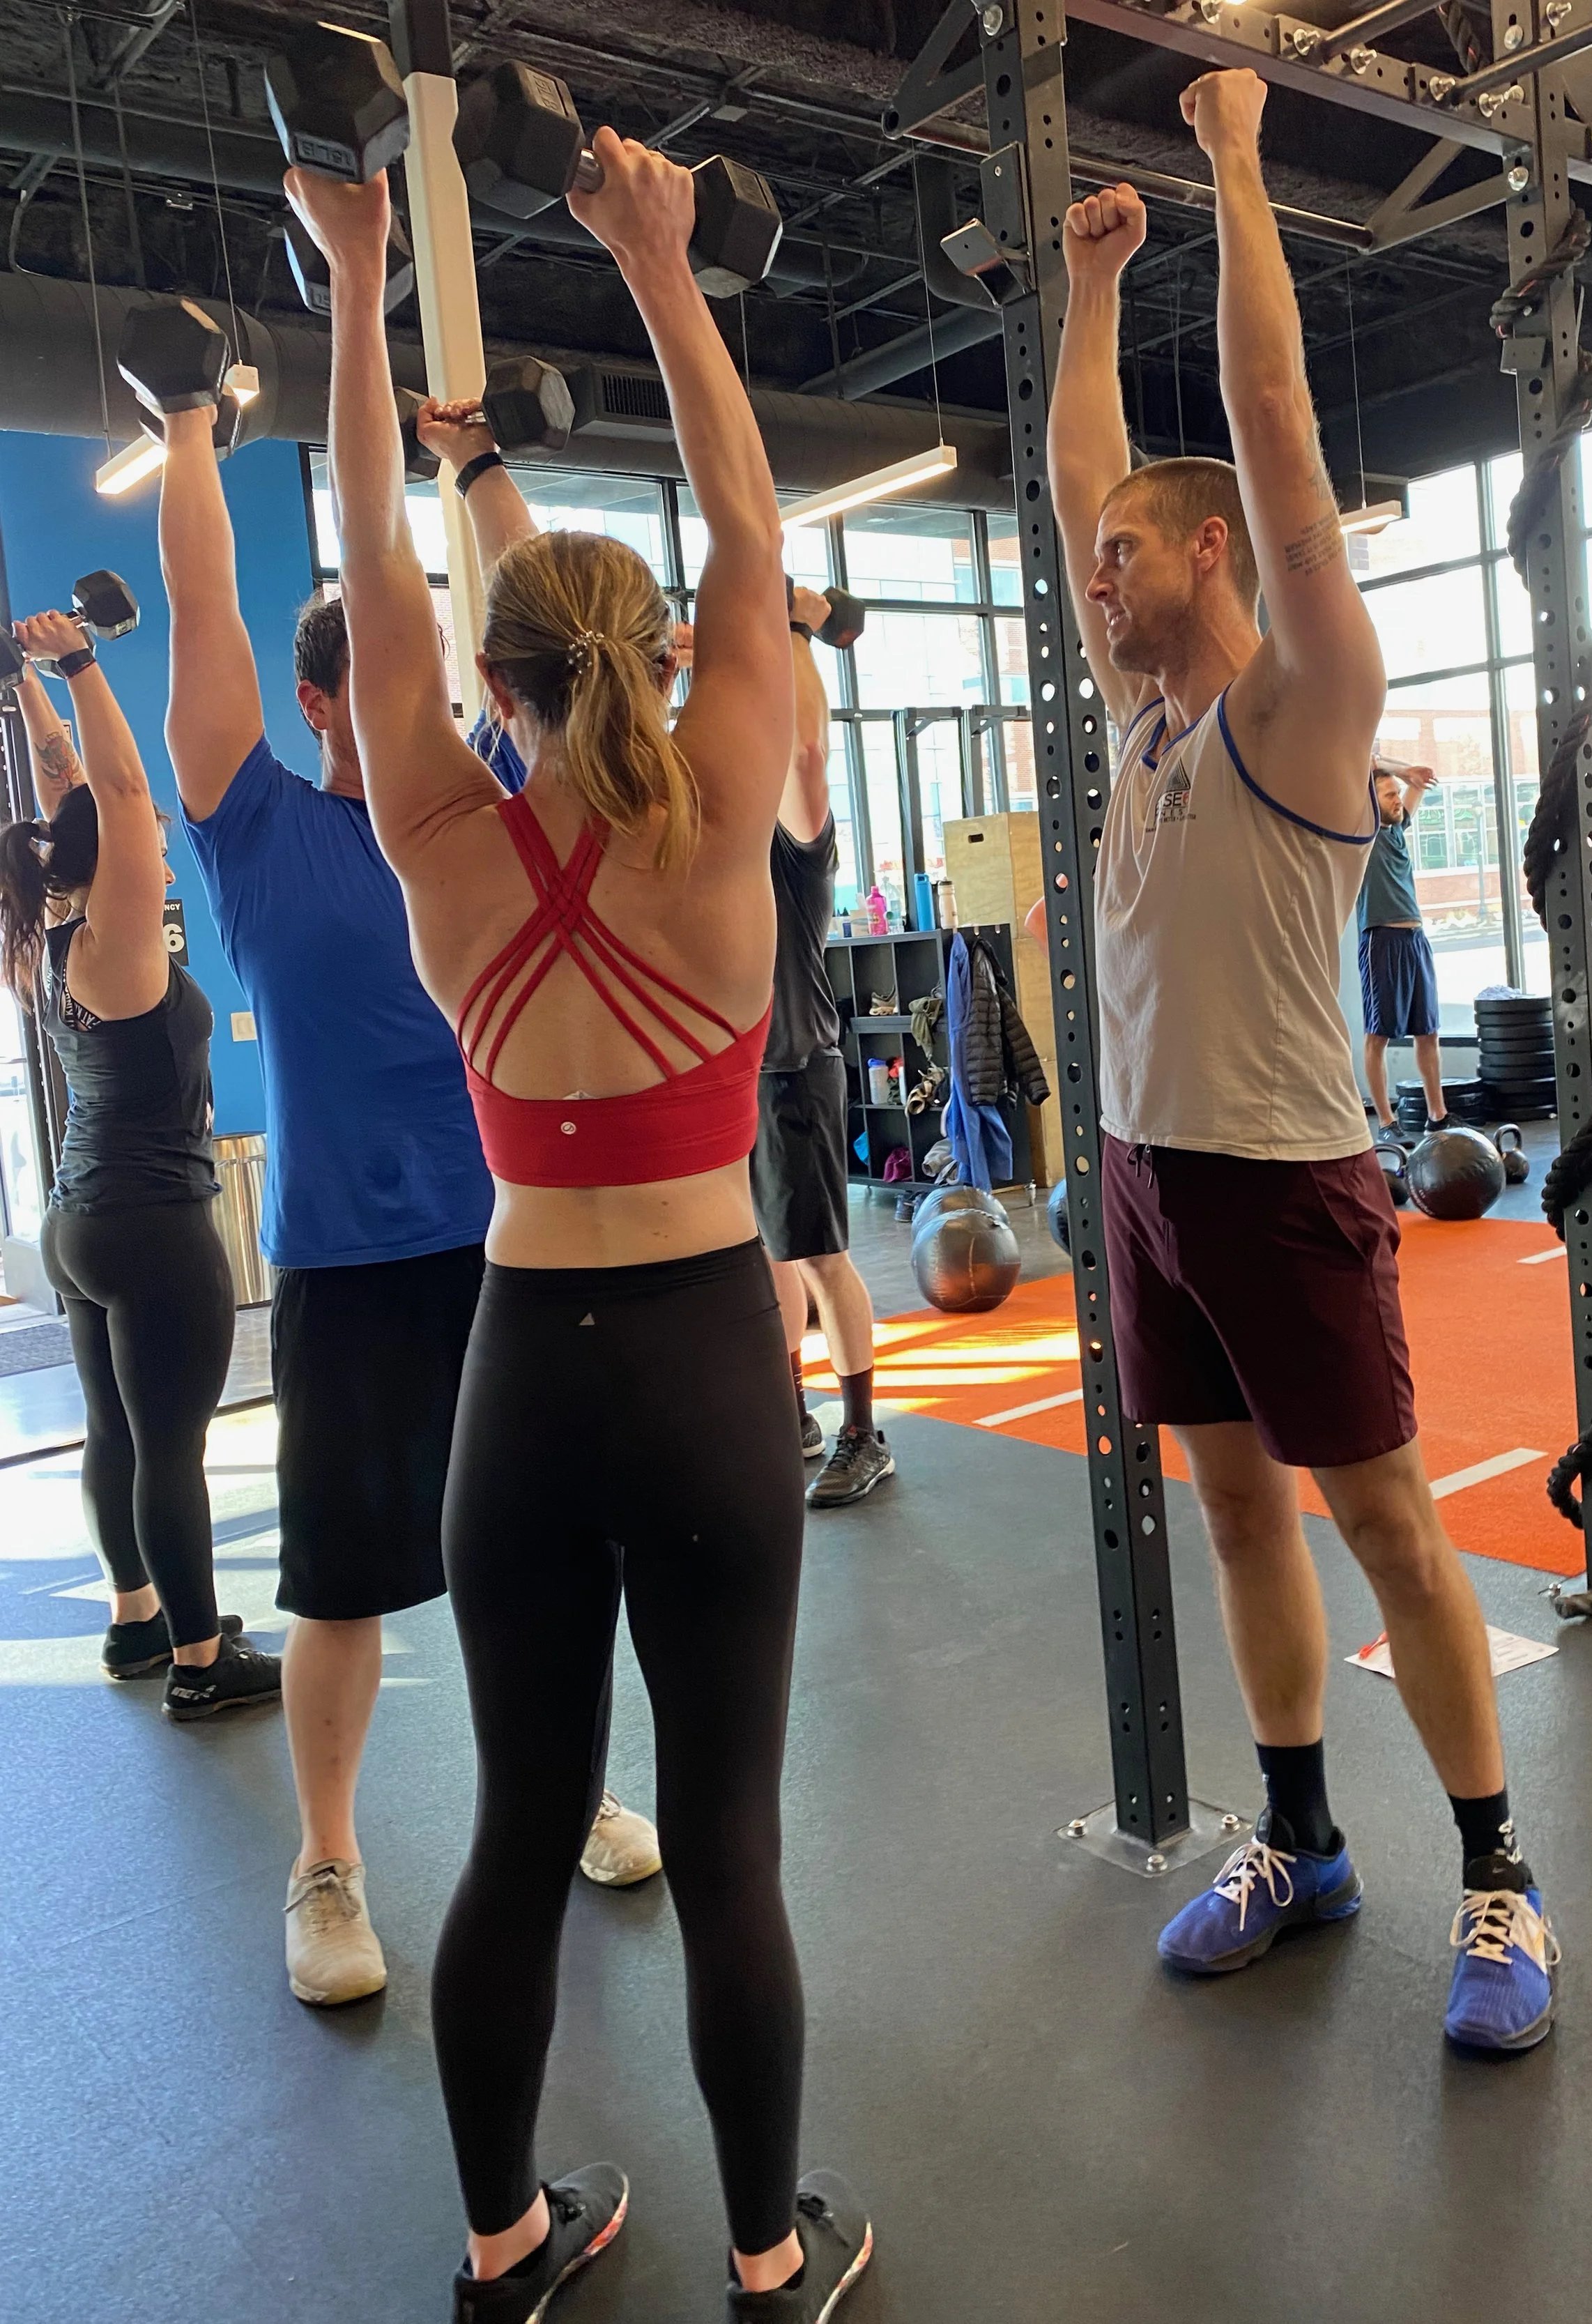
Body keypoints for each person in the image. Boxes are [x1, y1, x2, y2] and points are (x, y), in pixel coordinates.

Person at [286, 128, 871, 2324]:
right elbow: (741, 525)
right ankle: (757, 2256)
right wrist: (655, 265)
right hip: (715, 1372)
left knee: (522, 1828)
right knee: (722, 1843)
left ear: (490, 686)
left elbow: (371, 549)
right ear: (645, 658)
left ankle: (504, 2246)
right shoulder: (722, 796)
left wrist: (353, 288)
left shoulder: (431, 822)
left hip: (517, 1386)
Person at [1047, 67, 1558, 2052]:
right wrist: (1091, 290)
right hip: (1143, 1173)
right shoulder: (1152, 718)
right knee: (1239, 1515)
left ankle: (1500, 1872)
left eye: (1117, 554)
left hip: (1278, 1171)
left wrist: (1235, 166)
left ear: (1208, 556)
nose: (1091, 575)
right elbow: (1100, 460)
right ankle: (1298, 1835)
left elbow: (1263, 434)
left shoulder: (1297, 698)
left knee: (1386, 1524)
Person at [155, 381, 654, 2007]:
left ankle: (568, 1796)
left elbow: (582, 676)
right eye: (382, 681)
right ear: (324, 703)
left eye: (432, 680)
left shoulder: (496, 821)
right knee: (345, 1586)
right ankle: (327, 1861)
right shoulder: (258, 831)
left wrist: (476, 466)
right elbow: (205, 610)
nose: (419, 703)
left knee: (554, 1560)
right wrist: (184, 439)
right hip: (349, 1267)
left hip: (513, 1245)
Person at [0, 621, 277, 1717]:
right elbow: (113, 784)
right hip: (154, 1225)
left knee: (117, 1431)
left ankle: (135, 1620)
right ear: (111, 851)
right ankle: (203, 1662)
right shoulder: (117, 928)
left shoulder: (48, 928)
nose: (154, 826)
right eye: (141, 829)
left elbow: (79, 786)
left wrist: (20, 687)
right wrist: (77, 664)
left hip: (76, 1220)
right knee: (173, 1447)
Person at [753, 593, 892, 1509]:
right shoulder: (721, 836)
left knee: (821, 1257)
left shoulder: (798, 839)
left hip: (801, 1066)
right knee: (770, 1259)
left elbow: (807, 751)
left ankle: (862, 1432)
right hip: (738, 1078)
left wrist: (798, 626)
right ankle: (793, 1414)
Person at [1358, 761, 1449, 1136]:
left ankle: (1437, 1116)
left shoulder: (1397, 830)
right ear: (1369, 801)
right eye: (1390, 795)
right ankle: (1386, 1121)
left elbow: (1419, 783)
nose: (1399, 800)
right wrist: (1396, 769)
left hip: (1415, 939)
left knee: (1427, 1031)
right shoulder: (1361, 832)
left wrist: (1412, 779)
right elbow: (1365, 760)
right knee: (1378, 1035)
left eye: (1398, 794)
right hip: (1381, 940)